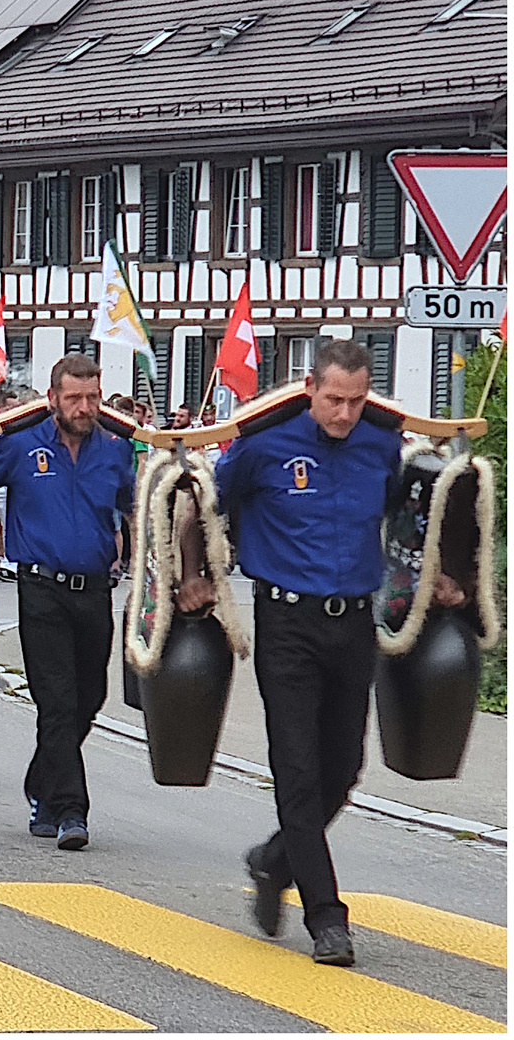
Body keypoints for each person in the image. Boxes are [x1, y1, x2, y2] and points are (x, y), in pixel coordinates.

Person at [179, 339, 462, 967]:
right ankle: (328, 920)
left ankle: (272, 860)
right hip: (287, 624)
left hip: (353, 623)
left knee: (344, 770)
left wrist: (434, 572)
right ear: (310, 389)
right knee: (299, 772)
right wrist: (194, 573)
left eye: (357, 401)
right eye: (334, 400)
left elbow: (407, 522)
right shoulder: (262, 446)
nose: (344, 413)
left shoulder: (380, 446)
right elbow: (200, 506)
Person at [0, 353, 134, 851]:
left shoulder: (116, 449)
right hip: (41, 588)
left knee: (89, 698)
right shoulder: (20, 444)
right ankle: (71, 809)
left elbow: (137, 507)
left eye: (92, 396)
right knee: (55, 700)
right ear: (52, 398)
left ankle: (40, 782)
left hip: (96, 590)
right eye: (74, 397)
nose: (85, 406)